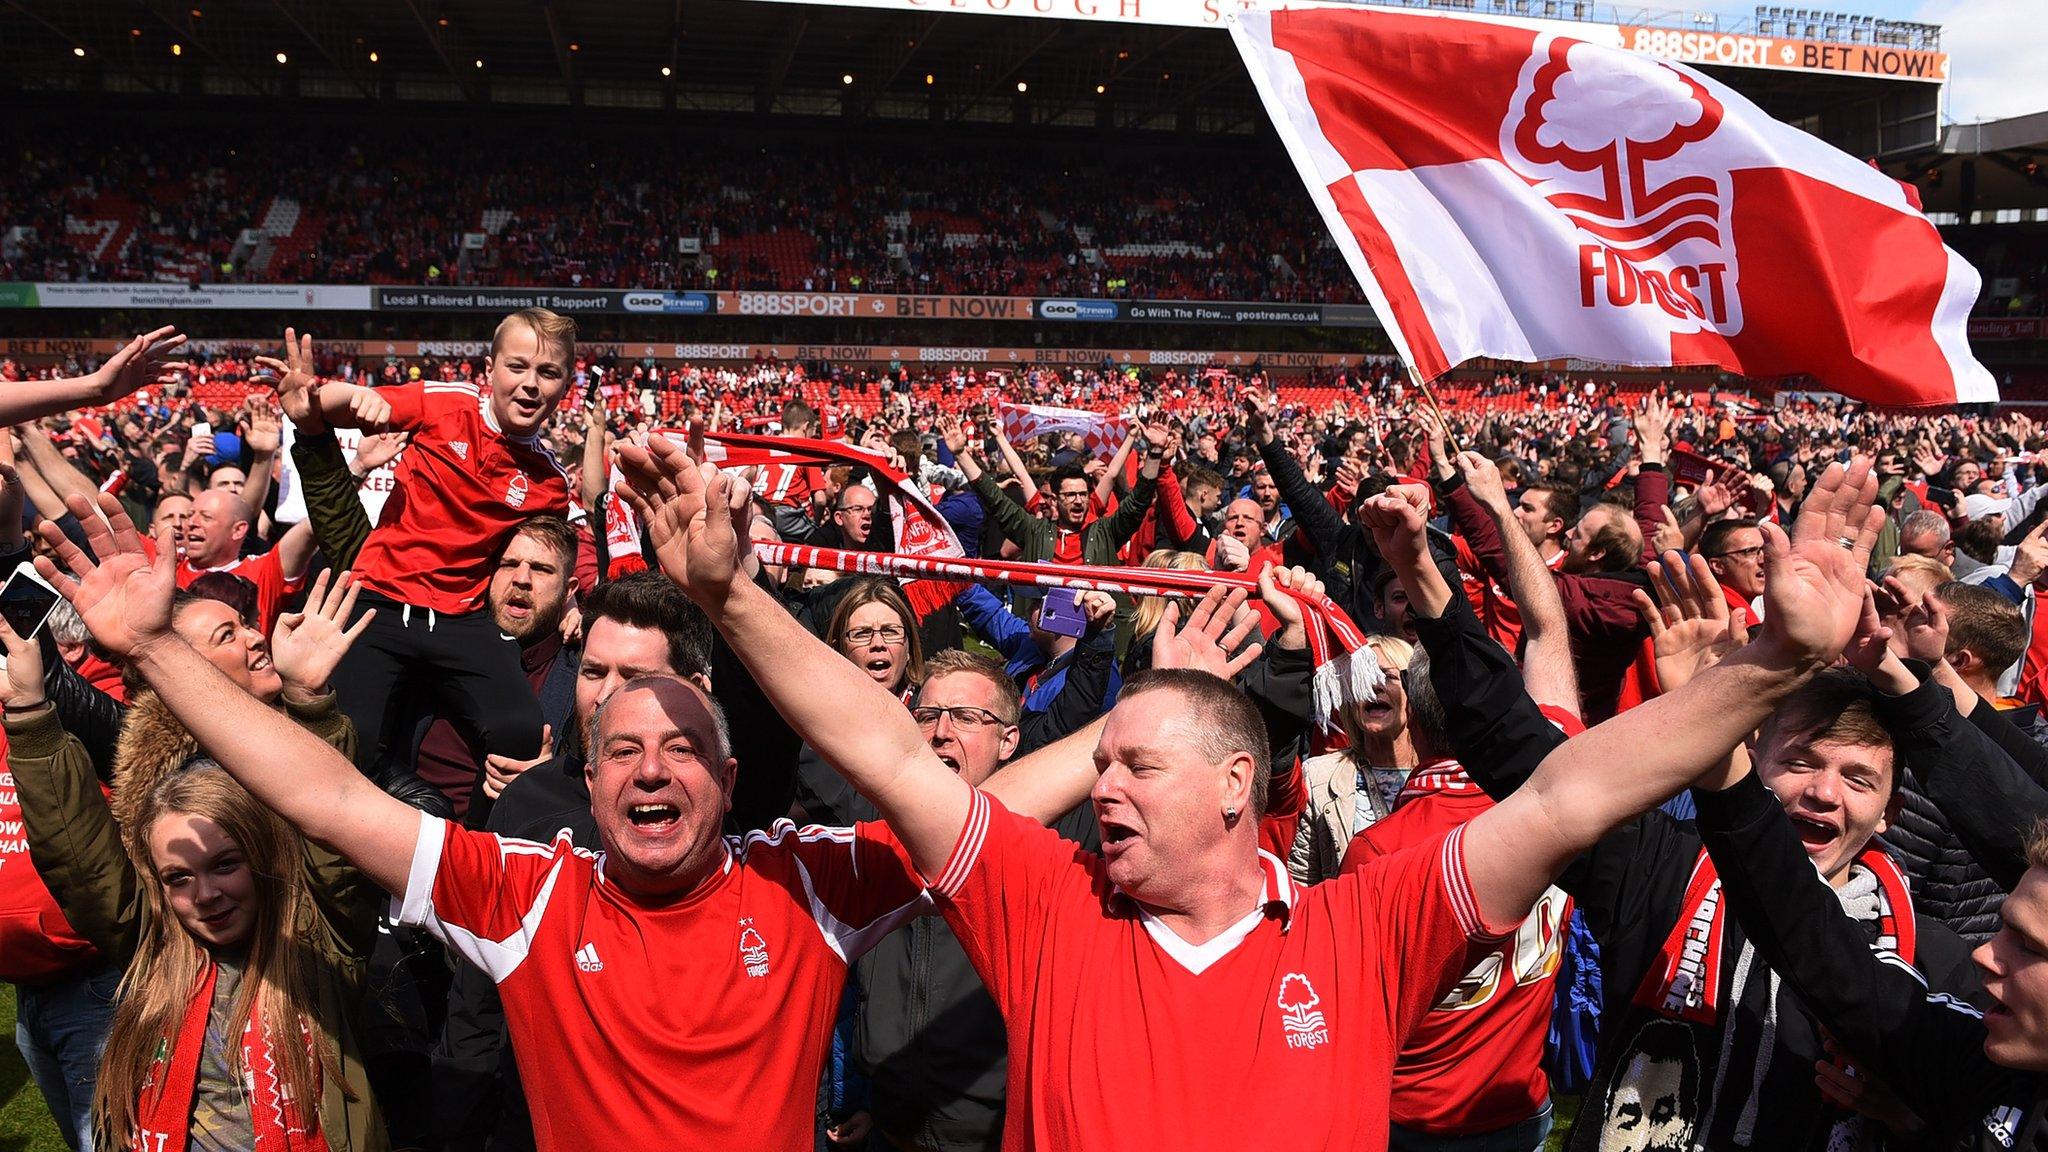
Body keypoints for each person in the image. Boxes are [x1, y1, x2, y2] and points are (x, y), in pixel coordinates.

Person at [615, 432, 1899, 1151]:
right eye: (1099, 763)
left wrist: (1774, 667)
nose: (1097, 787)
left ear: (1237, 785)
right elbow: (892, 758)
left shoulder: (1360, 928)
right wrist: (726, 596)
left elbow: (1567, 797)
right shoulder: (1048, 908)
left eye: (1134, 764)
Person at [4, 557, 387, 1152]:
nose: (205, 894)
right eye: (178, 877)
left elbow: (333, 849)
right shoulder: (159, 947)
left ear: (263, 857)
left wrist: (310, 703)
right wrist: (29, 715)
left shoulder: (316, 943)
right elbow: (84, 866)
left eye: (226, 864)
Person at [256, 316, 572, 771]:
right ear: (489, 369)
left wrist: (571, 604)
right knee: (352, 745)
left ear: (566, 385)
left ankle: (486, 819)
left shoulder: (551, 483)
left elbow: (558, 557)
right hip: (378, 602)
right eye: (517, 366)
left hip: (461, 619)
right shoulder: (446, 402)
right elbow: (345, 405)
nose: (530, 384)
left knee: (521, 734)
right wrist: (323, 398)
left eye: (548, 372)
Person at [1288, 634, 1418, 884]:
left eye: (1388, 676)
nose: (1374, 686)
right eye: (1364, 677)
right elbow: (1302, 882)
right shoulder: (1318, 777)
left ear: (1413, 692)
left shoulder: (1442, 773)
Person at [173, 488, 314, 634]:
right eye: (189, 515)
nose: (191, 523)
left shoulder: (262, 572)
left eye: (206, 517)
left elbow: (311, 526)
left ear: (238, 530)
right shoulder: (168, 566)